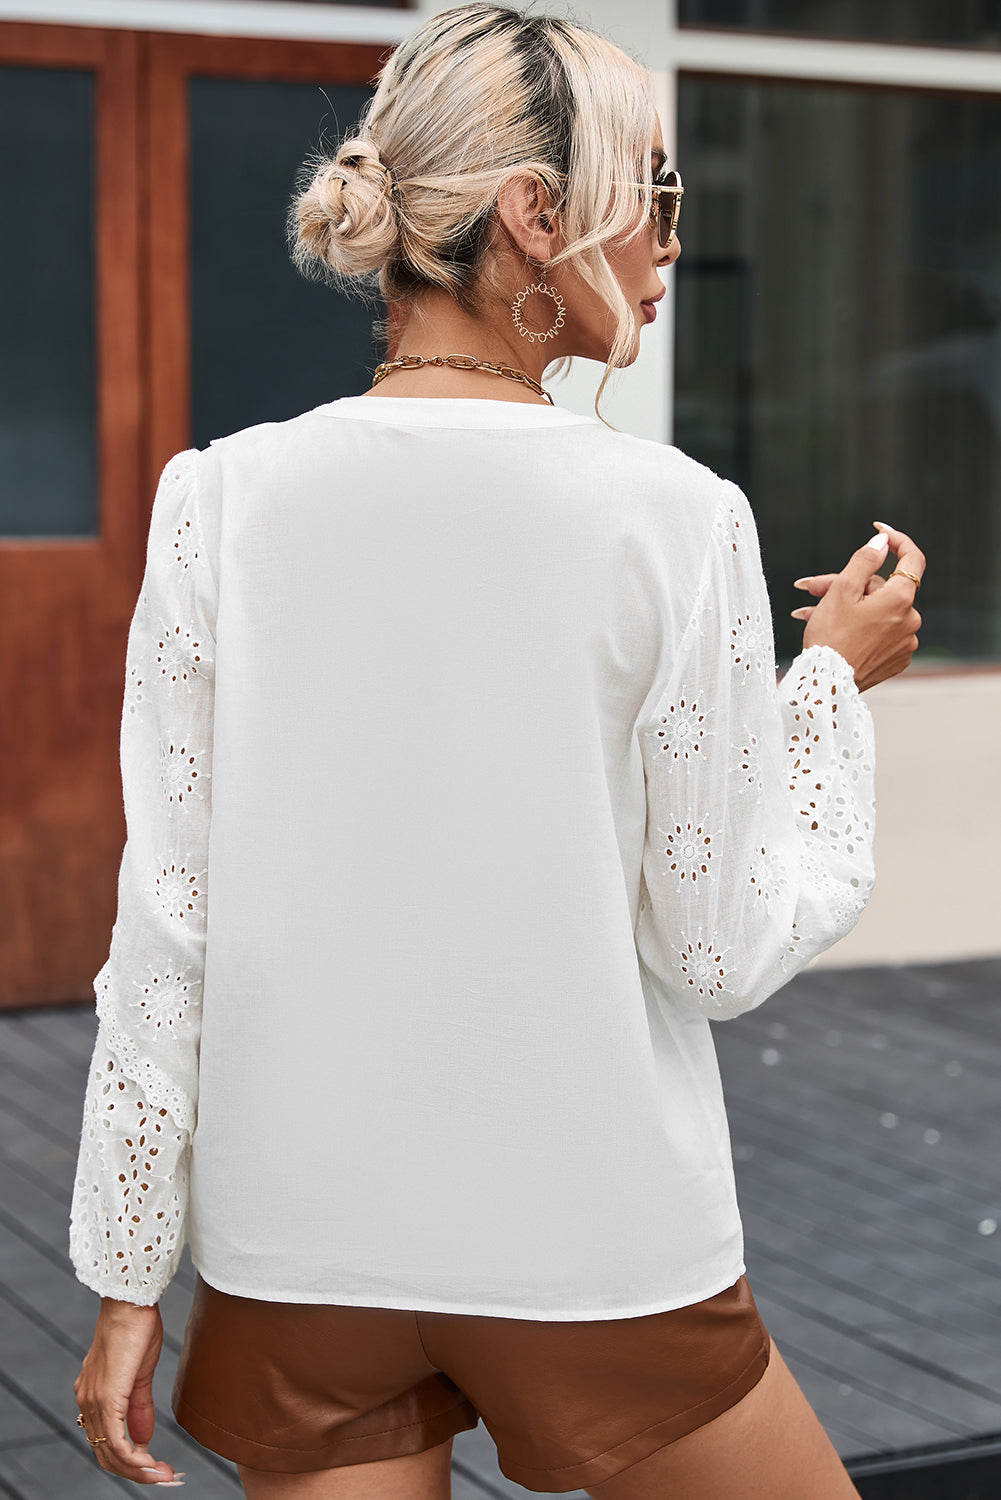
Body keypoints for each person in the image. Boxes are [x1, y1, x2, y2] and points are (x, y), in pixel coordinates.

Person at [68, 4, 924, 1496]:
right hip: (589, 1239)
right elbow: (718, 948)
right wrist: (826, 693)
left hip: (300, 1254)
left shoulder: (218, 501)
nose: (669, 240)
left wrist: (127, 1275)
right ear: (536, 217)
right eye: (653, 192)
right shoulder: (673, 517)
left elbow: (168, 929)